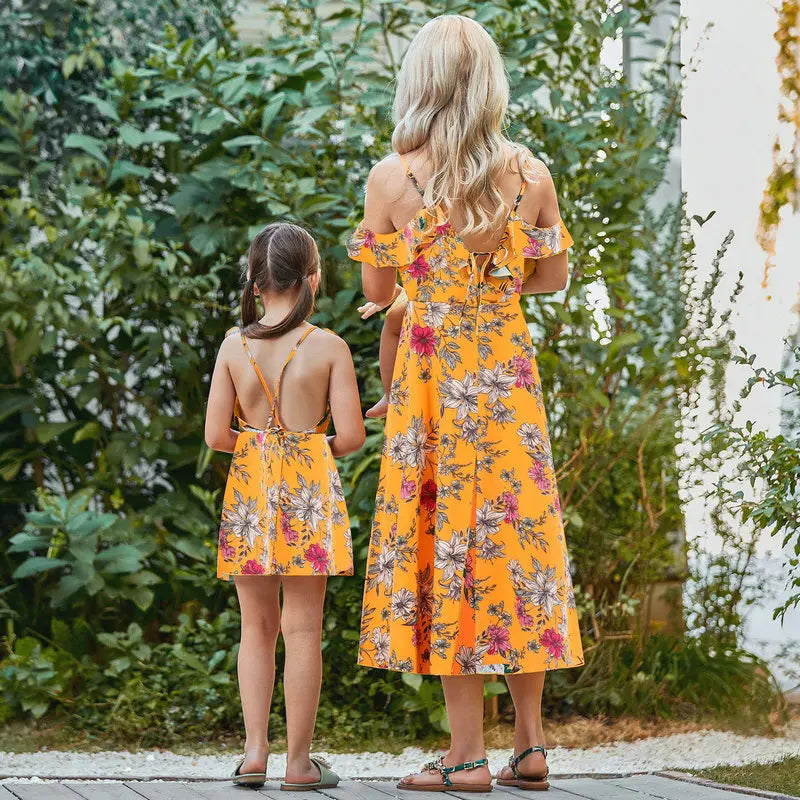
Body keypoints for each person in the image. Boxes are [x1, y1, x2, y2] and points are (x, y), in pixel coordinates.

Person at [347, 14, 584, 793]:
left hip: (432, 387)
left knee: (448, 548)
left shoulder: (394, 179)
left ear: (423, 82)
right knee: (516, 552)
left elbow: (377, 292)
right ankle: (530, 746)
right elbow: (551, 278)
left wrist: (427, 282)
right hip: (507, 382)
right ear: (488, 84)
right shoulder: (532, 174)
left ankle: (465, 756)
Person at [205, 222, 365, 790]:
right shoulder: (328, 348)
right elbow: (349, 438)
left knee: (256, 627)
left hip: (249, 486)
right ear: (312, 278)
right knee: (302, 630)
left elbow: (216, 436)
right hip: (308, 489)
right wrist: (307, 442)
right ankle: (300, 764)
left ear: (253, 280)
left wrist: (258, 443)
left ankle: (253, 754)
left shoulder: (233, 345)